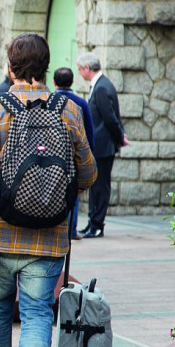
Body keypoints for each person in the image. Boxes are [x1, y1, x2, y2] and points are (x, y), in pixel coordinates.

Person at [0, 33, 97, 347]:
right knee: (38, 314)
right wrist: (55, 192)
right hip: (49, 238)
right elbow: (89, 174)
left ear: (11, 68)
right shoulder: (67, 110)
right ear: (46, 67)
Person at [76, 52, 129, 239]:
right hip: (100, 145)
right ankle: (92, 223)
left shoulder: (101, 87)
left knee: (100, 186)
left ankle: (97, 225)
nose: (79, 73)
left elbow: (110, 117)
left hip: (103, 146)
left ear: (87, 68)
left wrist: (120, 137)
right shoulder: (101, 84)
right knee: (96, 186)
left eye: (80, 69)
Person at [53, 67, 96, 240]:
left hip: (53, 157)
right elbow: (89, 133)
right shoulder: (80, 103)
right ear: (72, 82)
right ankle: (71, 231)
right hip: (73, 158)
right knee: (73, 194)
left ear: (54, 82)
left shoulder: (50, 101)